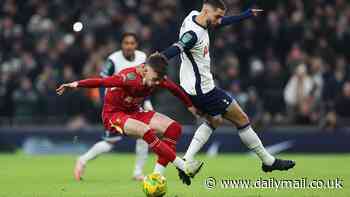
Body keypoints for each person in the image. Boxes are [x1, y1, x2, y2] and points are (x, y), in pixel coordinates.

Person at [161, 0, 295, 185]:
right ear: (207, 10)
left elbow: (220, 22)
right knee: (241, 119)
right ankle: (268, 161)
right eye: (217, 16)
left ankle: (186, 160)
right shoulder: (194, 34)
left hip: (192, 86)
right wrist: (157, 60)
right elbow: (177, 47)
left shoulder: (194, 16)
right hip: (204, 90)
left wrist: (246, 15)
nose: (218, 21)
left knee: (214, 120)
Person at [56, 53, 203, 182]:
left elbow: (175, 90)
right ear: (146, 70)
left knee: (174, 128)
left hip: (134, 111)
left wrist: (190, 106)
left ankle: (157, 177)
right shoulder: (129, 78)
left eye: (159, 80)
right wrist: (75, 84)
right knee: (143, 131)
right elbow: (102, 82)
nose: (156, 83)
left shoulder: (158, 77)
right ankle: (183, 166)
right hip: (114, 115)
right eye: (154, 79)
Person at [76, 32, 151, 181]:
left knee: (144, 135)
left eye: (132, 43)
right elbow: (102, 82)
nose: (129, 46)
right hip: (116, 108)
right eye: (126, 43)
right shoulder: (113, 60)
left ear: (136, 45)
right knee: (109, 143)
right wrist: (106, 102)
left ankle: (137, 172)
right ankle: (82, 160)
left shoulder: (143, 58)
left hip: (135, 106)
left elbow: (147, 82)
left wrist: (147, 101)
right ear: (121, 45)